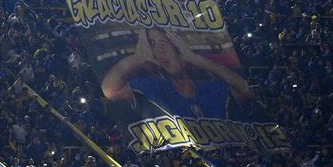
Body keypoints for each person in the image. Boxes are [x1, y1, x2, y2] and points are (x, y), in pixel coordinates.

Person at [101, 27, 253, 120]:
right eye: (153, 45)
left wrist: (195, 58)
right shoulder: (152, 87)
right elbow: (110, 89)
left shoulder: (210, 88)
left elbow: (245, 89)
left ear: (180, 49)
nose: (159, 50)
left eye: (164, 43)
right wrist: (138, 58)